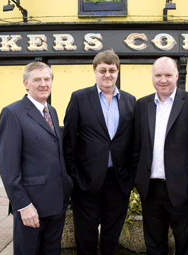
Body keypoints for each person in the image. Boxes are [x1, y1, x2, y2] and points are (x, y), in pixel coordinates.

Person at [62, 49, 136, 255]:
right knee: (85, 237)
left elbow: (133, 143)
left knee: (111, 237)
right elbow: (68, 142)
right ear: (95, 71)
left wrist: (130, 178)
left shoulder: (130, 101)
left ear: (118, 72)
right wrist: (74, 177)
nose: (107, 74)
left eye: (112, 70)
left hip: (118, 182)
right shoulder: (79, 98)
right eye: (102, 70)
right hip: (86, 182)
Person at [133, 56, 188, 254]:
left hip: (183, 192)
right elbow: (136, 148)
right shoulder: (142, 105)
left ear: (177, 75)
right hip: (151, 192)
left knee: (186, 246)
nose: (163, 80)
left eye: (168, 75)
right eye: (158, 75)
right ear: (152, 77)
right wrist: (139, 182)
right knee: (154, 246)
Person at [0, 61, 73, 255]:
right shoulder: (12, 113)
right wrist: (23, 205)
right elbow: (8, 168)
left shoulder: (51, 111)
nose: (43, 84)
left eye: (47, 79)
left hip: (56, 203)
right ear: (25, 83)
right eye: (37, 79)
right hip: (31, 207)